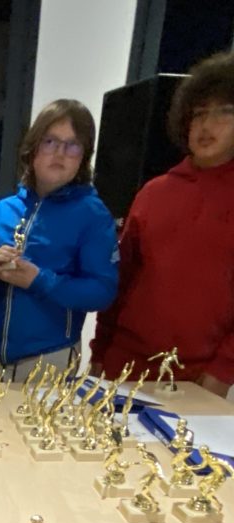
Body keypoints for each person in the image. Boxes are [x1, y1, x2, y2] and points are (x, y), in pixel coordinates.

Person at [92, 53, 234, 396]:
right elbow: (121, 281)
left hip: (195, 378)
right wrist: (99, 352)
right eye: (199, 114)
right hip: (122, 365)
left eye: (223, 112)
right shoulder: (154, 193)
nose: (207, 125)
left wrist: (221, 372)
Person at [0, 98, 118, 381]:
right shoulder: (1, 211)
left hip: (50, 359)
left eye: (72, 145)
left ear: (84, 156)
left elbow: (102, 291)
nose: (60, 153)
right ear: (33, 149)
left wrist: (40, 280)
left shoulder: (93, 215)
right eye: (50, 141)